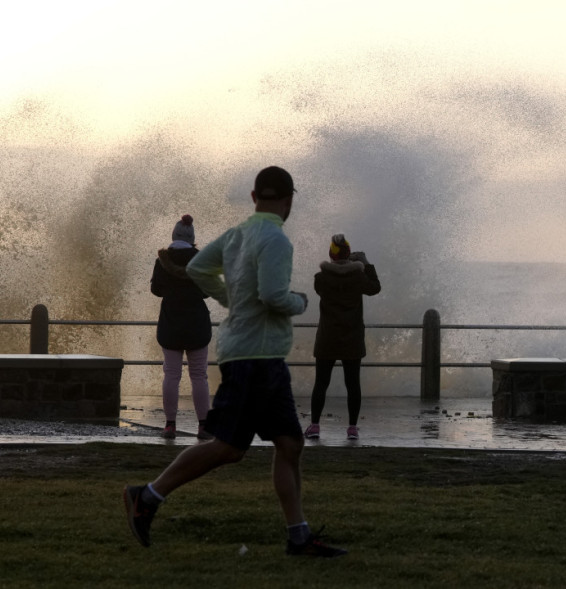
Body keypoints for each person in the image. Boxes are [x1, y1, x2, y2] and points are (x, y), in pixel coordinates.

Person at [123, 166, 347, 558]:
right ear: (289, 199)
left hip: (257, 354)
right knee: (228, 447)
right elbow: (275, 296)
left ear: (253, 196)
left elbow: (196, 269)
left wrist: (229, 299)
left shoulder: (237, 235)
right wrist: (300, 302)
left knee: (291, 443)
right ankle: (148, 495)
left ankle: (298, 536)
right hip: (254, 357)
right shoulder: (276, 239)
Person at [304, 234, 381, 441]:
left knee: (321, 383)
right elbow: (375, 287)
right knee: (353, 384)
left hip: (327, 338)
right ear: (350, 255)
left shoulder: (320, 279)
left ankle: (315, 426)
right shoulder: (359, 277)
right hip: (352, 338)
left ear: (331, 255)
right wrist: (364, 263)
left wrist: (345, 264)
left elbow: (328, 279)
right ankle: (352, 428)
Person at [150, 214, 213, 440]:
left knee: (171, 375)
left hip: (171, 323)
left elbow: (156, 290)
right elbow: (207, 291)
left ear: (174, 235)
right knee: (199, 376)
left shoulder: (162, 261)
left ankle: (170, 425)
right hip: (197, 324)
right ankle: (204, 426)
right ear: (192, 237)